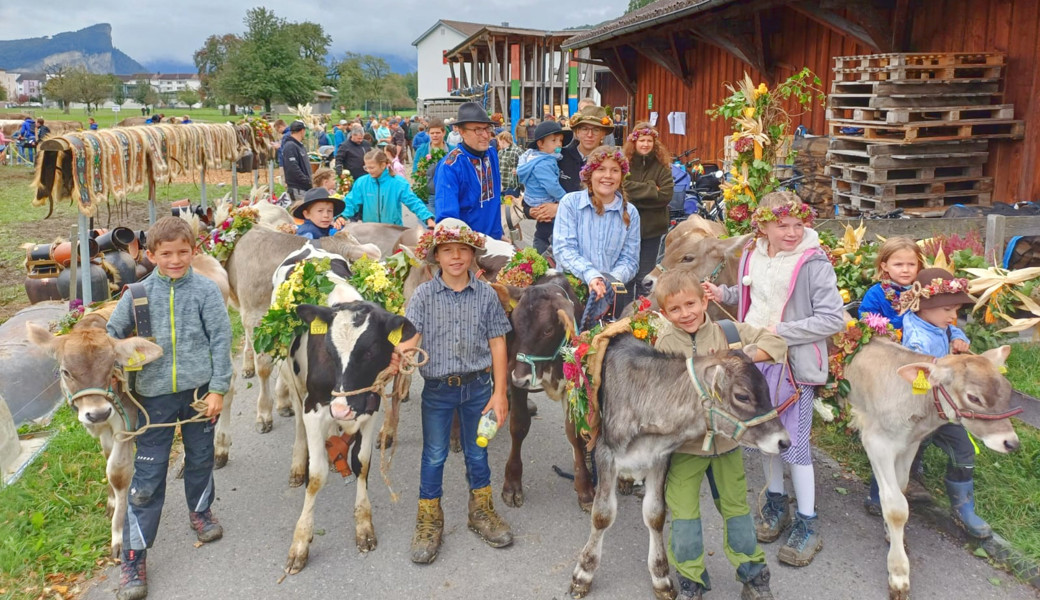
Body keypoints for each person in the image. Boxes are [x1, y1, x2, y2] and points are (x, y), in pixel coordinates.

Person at [703, 191, 844, 568]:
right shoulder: (753, 253)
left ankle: (807, 523)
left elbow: (833, 319)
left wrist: (776, 330)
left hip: (793, 365)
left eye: (799, 224)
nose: (793, 232)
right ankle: (776, 503)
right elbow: (753, 295)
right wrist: (725, 293)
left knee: (795, 446)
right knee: (767, 438)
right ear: (762, 225)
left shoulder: (813, 262)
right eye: (783, 225)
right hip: (756, 356)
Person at [106, 216, 232, 600]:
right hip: (153, 399)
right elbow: (111, 336)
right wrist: (118, 364)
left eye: (183, 252)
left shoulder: (207, 292)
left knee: (199, 458)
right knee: (148, 478)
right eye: (166, 254)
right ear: (151, 254)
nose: (175, 260)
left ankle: (201, 510)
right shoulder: (137, 294)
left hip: (197, 394)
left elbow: (220, 341)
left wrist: (218, 390)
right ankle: (134, 556)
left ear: (194, 252)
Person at [654, 268, 785, 600]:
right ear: (664, 313)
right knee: (683, 516)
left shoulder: (729, 332)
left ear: (704, 299)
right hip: (687, 447)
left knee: (737, 510)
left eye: (691, 304)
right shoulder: (664, 344)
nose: (686, 314)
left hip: (728, 443)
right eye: (675, 309)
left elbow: (776, 343)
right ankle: (691, 580)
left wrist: (742, 357)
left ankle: (754, 575)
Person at [400, 218, 513, 565]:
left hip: (479, 389)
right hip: (436, 390)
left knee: (477, 452)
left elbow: (497, 343)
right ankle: (429, 519)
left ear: (473, 256)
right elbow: (411, 338)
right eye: (448, 250)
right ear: (436, 256)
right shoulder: (423, 295)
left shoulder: (487, 296)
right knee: (434, 454)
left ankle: (481, 512)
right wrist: (397, 355)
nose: (456, 257)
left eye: (463, 250)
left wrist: (500, 393)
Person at [893, 268, 992, 538]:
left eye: (956, 309)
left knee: (962, 450)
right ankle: (887, 491)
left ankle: (963, 508)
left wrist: (959, 338)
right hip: (921, 405)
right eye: (948, 309)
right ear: (923, 307)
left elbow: (953, 332)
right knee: (906, 446)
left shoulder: (941, 325)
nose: (953, 316)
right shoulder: (916, 339)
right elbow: (917, 381)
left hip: (947, 407)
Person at [553, 145, 640, 327]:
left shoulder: (630, 213)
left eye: (614, 170)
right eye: (601, 169)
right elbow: (564, 249)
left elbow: (630, 259)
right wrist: (592, 276)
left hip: (609, 297)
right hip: (571, 293)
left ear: (621, 176)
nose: (608, 176)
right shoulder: (570, 203)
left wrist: (609, 280)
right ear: (589, 174)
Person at [434, 103, 503, 239]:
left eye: (487, 128)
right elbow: (448, 220)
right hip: (468, 246)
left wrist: (500, 234)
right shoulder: (450, 166)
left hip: (494, 240)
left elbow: (493, 203)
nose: (485, 135)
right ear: (462, 132)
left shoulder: (491, 154)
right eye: (477, 130)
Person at [622, 122, 674, 298]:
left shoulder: (661, 166)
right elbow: (621, 188)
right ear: (634, 142)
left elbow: (666, 195)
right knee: (627, 274)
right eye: (642, 140)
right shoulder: (625, 165)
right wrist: (652, 188)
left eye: (649, 140)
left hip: (652, 229)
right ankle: (625, 312)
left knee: (645, 276)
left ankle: (643, 314)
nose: (645, 144)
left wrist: (635, 198)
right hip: (626, 228)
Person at [335, 149, 434, 228]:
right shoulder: (361, 182)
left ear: (383, 165)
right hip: (370, 231)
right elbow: (351, 202)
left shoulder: (398, 183)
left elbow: (413, 202)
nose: (369, 171)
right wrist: (341, 216)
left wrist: (427, 218)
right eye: (366, 167)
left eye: (372, 168)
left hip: (393, 230)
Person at [517, 120, 571, 254]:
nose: (559, 144)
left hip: (531, 198)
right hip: (542, 201)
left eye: (560, 140)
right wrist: (565, 199)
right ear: (540, 144)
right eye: (554, 141)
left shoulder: (532, 156)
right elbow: (552, 186)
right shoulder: (544, 163)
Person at [559, 105, 613, 194]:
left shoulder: (609, 162)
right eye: (585, 129)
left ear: (603, 134)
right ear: (577, 132)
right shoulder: (560, 157)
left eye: (596, 130)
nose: (590, 135)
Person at [282, 121, 312, 203]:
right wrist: (306, 180)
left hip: (304, 188)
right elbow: (292, 168)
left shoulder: (299, 146)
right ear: (302, 131)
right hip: (298, 188)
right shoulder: (290, 146)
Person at [496, 131, 523, 199]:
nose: (498, 144)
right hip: (501, 186)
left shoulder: (517, 151)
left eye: (499, 141)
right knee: (502, 206)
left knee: (509, 207)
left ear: (503, 140)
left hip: (512, 187)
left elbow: (525, 166)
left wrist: (517, 170)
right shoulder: (500, 152)